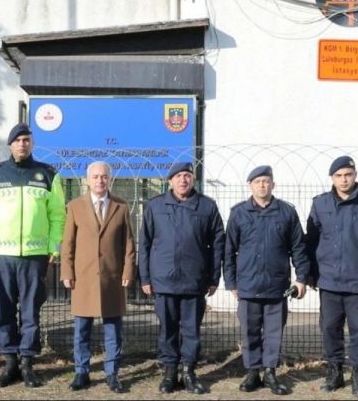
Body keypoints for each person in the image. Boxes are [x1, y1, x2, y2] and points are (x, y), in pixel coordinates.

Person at [0, 123, 66, 388]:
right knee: (4, 310)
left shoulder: (48, 174)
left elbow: (57, 215)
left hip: (35, 257)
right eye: (17, 140)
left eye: (26, 140)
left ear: (32, 143)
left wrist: (53, 248)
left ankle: (27, 362)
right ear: (10, 145)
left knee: (30, 311)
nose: (22, 144)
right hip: (1, 256)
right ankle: (9, 362)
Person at [306, 156, 358, 398]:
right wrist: (310, 273)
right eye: (339, 175)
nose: (344, 180)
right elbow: (310, 242)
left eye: (348, 174)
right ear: (332, 178)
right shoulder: (320, 203)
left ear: (355, 176)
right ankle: (334, 374)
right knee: (329, 329)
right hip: (328, 281)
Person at [138, 162, 225, 394]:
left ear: (193, 179)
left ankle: (189, 372)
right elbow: (144, 243)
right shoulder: (156, 206)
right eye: (178, 176)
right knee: (167, 330)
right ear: (170, 181)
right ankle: (169, 373)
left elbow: (218, 244)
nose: (183, 180)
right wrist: (145, 278)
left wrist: (214, 278)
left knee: (191, 330)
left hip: (194, 281)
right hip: (163, 281)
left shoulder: (206, 206)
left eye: (187, 176)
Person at [223, 165, 310, 395]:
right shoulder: (239, 213)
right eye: (257, 181)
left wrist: (301, 279)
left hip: (276, 286)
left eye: (266, 181)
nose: (262, 185)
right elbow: (229, 250)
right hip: (248, 285)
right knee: (250, 331)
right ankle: (252, 373)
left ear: (273, 184)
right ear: (250, 185)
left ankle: (270, 372)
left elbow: (298, 248)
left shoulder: (286, 212)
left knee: (273, 333)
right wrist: (231, 282)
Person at [60, 161, 136, 393]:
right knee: (81, 330)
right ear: (88, 180)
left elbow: (129, 244)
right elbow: (68, 243)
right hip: (83, 278)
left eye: (104, 176)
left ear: (109, 179)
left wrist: (128, 271)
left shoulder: (121, 206)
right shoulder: (75, 206)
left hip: (112, 278)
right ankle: (81, 372)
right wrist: (67, 271)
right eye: (95, 177)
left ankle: (112, 374)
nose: (100, 181)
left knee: (113, 331)